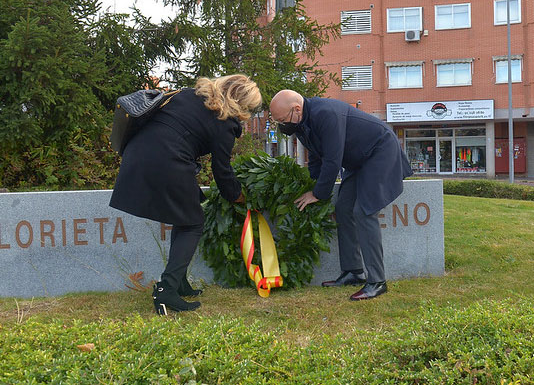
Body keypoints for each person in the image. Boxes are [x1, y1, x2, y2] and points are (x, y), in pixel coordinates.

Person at [110, 75, 262, 315]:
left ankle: (179, 282)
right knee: (193, 224)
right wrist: (237, 196)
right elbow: (222, 171)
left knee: (183, 219)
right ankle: (166, 289)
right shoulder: (224, 122)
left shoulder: (188, 95)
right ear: (241, 103)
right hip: (168, 160)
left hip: (137, 153)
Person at [269, 90, 412, 300]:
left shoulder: (325, 114)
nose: (283, 125)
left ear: (297, 109)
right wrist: (313, 183)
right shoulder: (301, 123)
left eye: (283, 119)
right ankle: (353, 272)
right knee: (343, 209)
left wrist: (318, 193)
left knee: (364, 211)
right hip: (359, 159)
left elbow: (332, 160)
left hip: (380, 151)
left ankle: (377, 281)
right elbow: (316, 156)